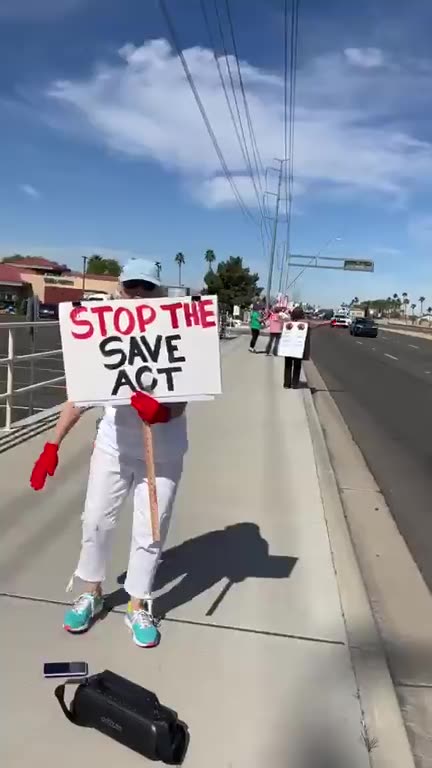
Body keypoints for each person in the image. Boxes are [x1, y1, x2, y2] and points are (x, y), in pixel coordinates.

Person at [29, 259, 188, 649]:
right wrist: (52, 444)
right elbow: (79, 396)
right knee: (96, 520)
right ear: (119, 290)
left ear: (159, 293)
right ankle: (93, 592)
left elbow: (182, 400)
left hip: (162, 452)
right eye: (130, 287)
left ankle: (137, 603)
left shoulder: (176, 331)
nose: (137, 295)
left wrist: (164, 411)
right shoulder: (102, 333)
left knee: (151, 530)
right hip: (113, 447)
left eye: (146, 288)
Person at [283, 306, 310, 389]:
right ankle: (295, 384)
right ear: (302, 314)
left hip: (288, 347)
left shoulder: (288, 322)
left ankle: (287, 384)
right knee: (297, 366)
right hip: (298, 347)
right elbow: (317, 324)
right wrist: (328, 322)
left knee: (288, 365)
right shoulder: (305, 323)